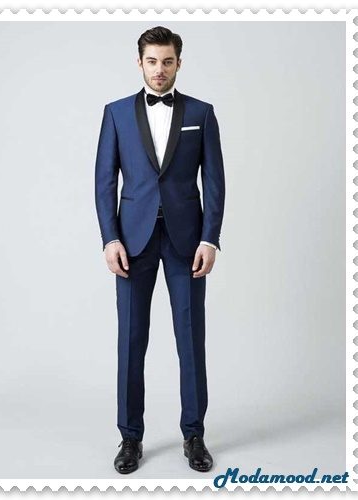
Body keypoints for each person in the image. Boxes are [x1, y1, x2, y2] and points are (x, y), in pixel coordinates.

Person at [94, 25, 225, 474]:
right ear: (139, 63)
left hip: (187, 242)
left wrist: (210, 237)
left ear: (179, 64)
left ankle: (194, 435)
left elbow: (215, 181)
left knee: (191, 340)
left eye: (167, 61)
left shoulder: (201, 113)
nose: (159, 69)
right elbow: (104, 182)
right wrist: (110, 238)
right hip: (132, 244)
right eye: (152, 61)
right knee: (131, 341)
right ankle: (130, 438)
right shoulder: (115, 114)